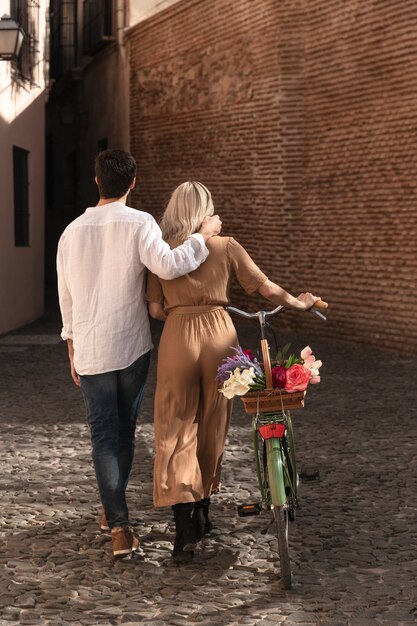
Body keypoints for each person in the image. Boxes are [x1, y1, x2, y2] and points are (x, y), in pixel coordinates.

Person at [56, 151, 221, 559]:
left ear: (97, 181)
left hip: (91, 349)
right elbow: (168, 266)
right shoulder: (140, 223)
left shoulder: (71, 232)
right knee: (124, 432)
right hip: (131, 347)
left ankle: (117, 520)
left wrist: (71, 345)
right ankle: (116, 520)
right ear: (133, 183)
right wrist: (203, 236)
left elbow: (67, 297)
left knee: (103, 438)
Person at [146, 181, 320, 561]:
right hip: (218, 332)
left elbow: (155, 311)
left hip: (177, 335)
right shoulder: (225, 246)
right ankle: (204, 509)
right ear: (205, 210)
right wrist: (298, 303)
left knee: (175, 423)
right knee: (212, 419)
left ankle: (184, 523)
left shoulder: (160, 249)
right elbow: (264, 287)